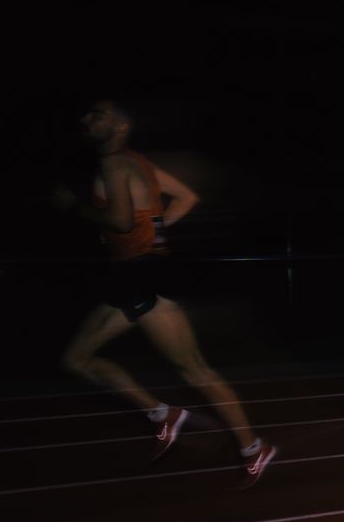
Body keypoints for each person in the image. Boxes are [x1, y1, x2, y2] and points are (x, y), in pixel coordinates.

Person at [54, 99, 277, 486]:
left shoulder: (116, 163)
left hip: (144, 276)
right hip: (133, 274)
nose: (87, 119)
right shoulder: (139, 162)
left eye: (99, 114)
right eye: (87, 113)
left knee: (194, 369)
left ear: (121, 124)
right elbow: (187, 198)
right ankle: (162, 413)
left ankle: (252, 447)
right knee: (76, 360)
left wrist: (74, 207)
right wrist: (157, 234)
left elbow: (121, 221)